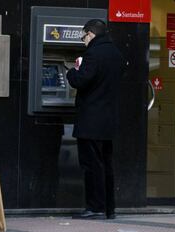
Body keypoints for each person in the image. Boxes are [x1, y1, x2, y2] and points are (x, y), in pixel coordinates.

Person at [66, 19, 125, 220]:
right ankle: (109, 208)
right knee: (106, 165)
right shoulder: (116, 54)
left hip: (91, 120)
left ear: (91, 33)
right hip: (108, 121)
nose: (83, 41)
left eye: (84, 37)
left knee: (92, 165)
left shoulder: (93, 53)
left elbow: (82, 81)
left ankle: (95, 207)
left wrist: (71, 72)